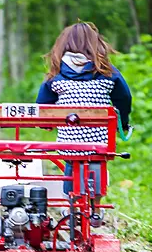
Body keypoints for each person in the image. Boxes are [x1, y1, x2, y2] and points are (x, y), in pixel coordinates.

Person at [36, 22, 132, 194]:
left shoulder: (56, 76)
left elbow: (42, 105)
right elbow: (124, 98)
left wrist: (47, 124)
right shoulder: (108, 73)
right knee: (98, 160)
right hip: (99, 144)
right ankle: (96, 206)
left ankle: (70, 200)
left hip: (69, 143)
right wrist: (122, 123)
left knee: (71, 159)